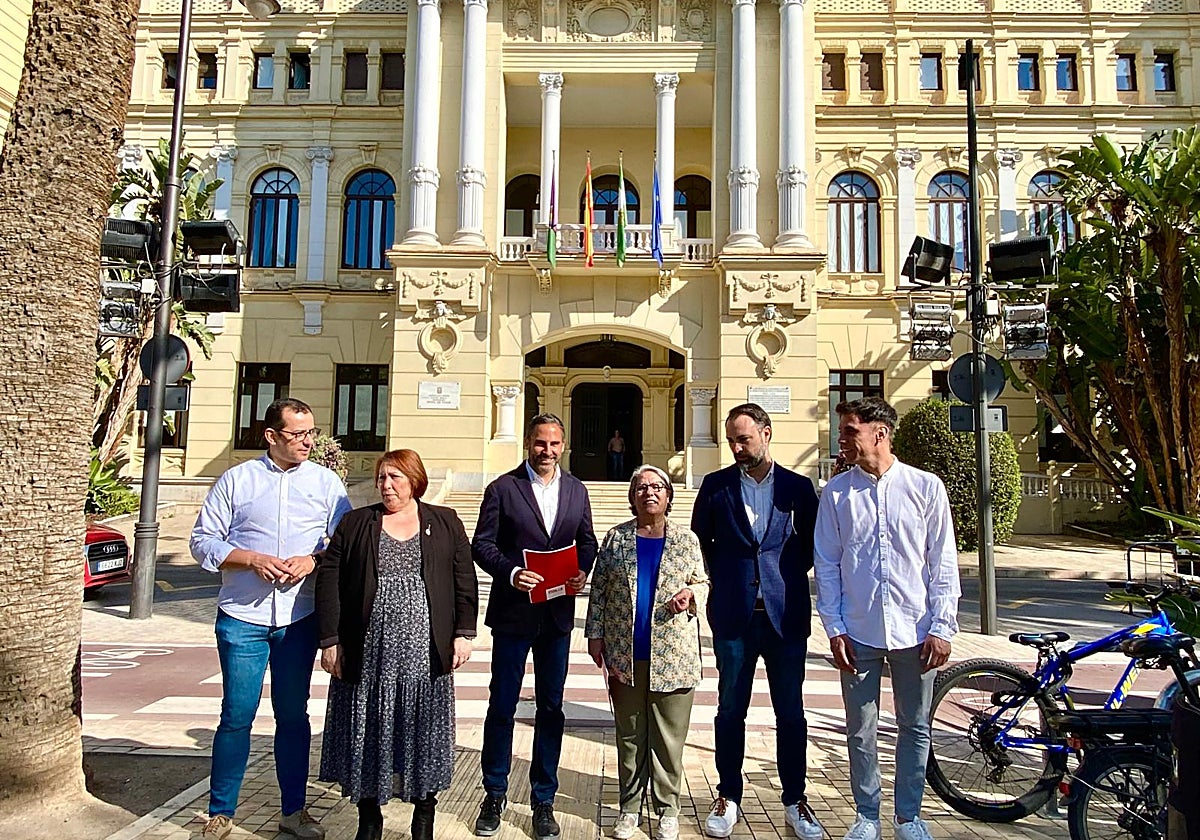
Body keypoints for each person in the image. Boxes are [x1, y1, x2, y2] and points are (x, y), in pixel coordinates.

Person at [190, 397, 352, 840]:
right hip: (242, 616)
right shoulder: (236, 480)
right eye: (297, 434)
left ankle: (294, 811)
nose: (308, 441)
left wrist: (312, 560)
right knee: (236, 714)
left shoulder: (326, 484)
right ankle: (220, 812)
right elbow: (202, 542)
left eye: (311, 432)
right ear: (271, 435)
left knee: (294, 716)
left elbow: (342, 544)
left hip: (299, 618)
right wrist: (250, 559)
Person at [814, 397, 960, 840]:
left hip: (916, 630)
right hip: (858, 631)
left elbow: (942, 561)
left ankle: (908, 817)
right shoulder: (837, 493)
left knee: (915, 727)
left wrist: (942, 626)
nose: (841, 439)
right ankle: (867, 816)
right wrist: (834, 628)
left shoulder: (925, 487)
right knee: (860, 729)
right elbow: (827, 564)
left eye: (850, 431)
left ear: (880, 433)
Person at [315, 449, 478, 840]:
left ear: (415, 481)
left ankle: (424, 818)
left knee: (422, 731)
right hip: (368, 653)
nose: (386, 486)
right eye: (382, 478)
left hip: (424, 652)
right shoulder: (356, 523)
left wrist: (463, 633)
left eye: (395, 478)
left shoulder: (444, 521)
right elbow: (329, 582)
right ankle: (369, 819)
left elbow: (464, 579)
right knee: (369, 728)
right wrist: (331, 640)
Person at [690, 403, 824, 840]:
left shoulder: (798, 488)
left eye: (744, 439)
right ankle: (728, 795)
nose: (736, 447)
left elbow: (814, 546)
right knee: (731, 709)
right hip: (734, 618)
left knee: (791, 712)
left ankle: (795, 799)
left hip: (785, 618)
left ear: (767, 433)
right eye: (731, 440)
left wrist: (779, 578)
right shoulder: (716, 486)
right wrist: (726, 580)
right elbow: (700, 542)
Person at [472, 413, 599, 840]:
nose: (547, 451)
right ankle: (494, 793)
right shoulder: (503, 488)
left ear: (564, 446)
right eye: (540, 443)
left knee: (551, 708)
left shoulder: (577, 490)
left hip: (557, 615)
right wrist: (510, 572)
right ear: (529, 442)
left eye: (554, 444)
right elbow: (482, 544)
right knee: (502, 705)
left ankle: (544, 799)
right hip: (514, 613)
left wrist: (581, 570)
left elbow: (587, 541)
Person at [586, 465, 709, 840]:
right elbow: (599, 589)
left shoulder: (687, 540)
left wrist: (691, 595)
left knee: (669, 741)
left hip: (673, 656)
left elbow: (703, 582)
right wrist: (595, 635)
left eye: (657, 487)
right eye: (641, 487)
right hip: (625, 653)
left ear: (669, 496)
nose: (649, 493)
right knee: (630, 737)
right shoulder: (616, 538)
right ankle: (629, 809)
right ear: (632, 496)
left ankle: (668, 810)